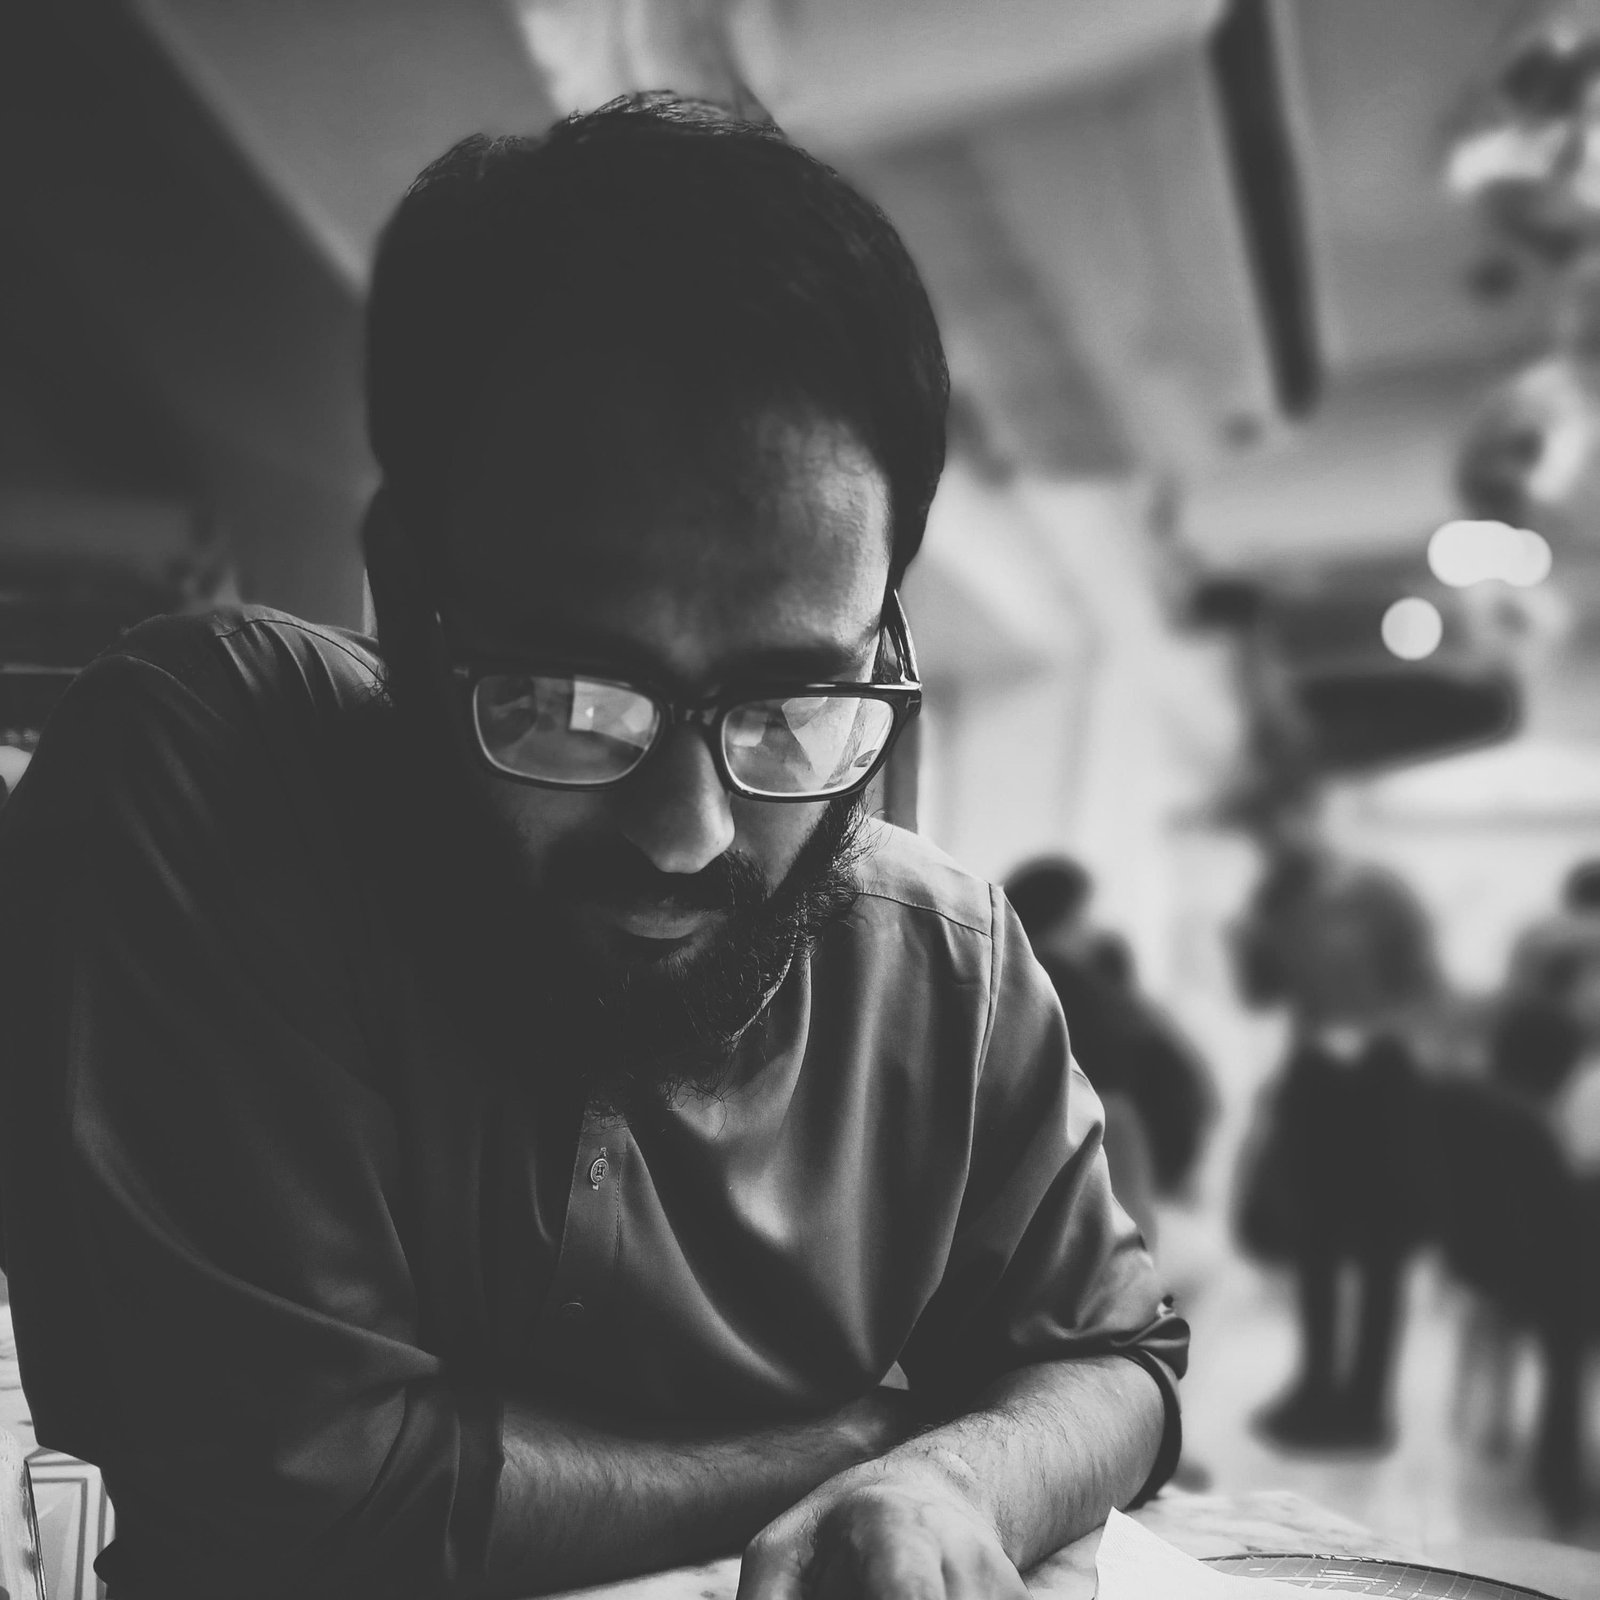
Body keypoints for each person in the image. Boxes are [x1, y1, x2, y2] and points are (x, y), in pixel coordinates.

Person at [0, 97, 1186, 1600]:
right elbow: (298, 1496)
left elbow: (1119, 1360)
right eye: (569, 701)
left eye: (789, 704)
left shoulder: (946, 967)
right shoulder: (214, 775)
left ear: (880, 640)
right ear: (402, 596)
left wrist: (951, 1478)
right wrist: (863, 1440)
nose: (690, 835)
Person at [1231, 795, 1439, 1452]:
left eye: (1282, 822)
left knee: (1381, 1246)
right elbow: (1261, 995)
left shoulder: (1379, 893)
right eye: (1265, 832)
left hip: (1382, 1072)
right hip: (1315, 1074)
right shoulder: (1279, 900)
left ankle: (1367, 1407)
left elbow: (1423, 981)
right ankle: (1317, 1387)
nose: (1275, 840)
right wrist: (1253, 935)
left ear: (1314, 818)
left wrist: (1375, 1030)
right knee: (1313, 1237)